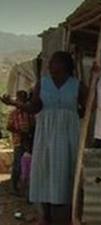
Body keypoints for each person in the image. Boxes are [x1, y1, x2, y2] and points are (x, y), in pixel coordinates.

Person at [1, 51, 87, 225]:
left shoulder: (77, 85)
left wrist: (68, 117)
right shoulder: (42, 84)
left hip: (68, 135)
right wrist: (14, 103)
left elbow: (87, 107)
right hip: (46, 134)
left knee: (66, 170)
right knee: (45, 170)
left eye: (54, 62)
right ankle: (45, 215)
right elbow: (33, 108)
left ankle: (68, 213)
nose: (50, 65)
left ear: (65, 65)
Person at [6, 90, 35, 195]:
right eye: (20, 98)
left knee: (29, 165)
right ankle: (14, 187)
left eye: (24, 98)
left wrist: (29, 133)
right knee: (17, 165)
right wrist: (19, 132)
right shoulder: (13, 113)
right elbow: (9, 126)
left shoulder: (29, 113)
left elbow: (33, 125)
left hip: (29, 141)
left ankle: (27, 188)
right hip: (18, 141)